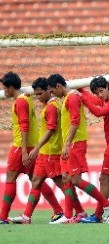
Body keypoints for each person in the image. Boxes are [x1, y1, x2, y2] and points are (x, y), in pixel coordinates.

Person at [11, 77, 85, 224]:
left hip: (52, 152)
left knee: (63, 184)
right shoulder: (49, 105)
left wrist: (37, 147)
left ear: (48, 91)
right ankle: (27, 216)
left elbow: (51, 130)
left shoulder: (52, 107)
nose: (38, 97)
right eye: (36, 95)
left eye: (40, 94)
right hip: (44, 153)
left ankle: (79, 211)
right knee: (36, 182)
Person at [47, 74, 109, 224]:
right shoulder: (66, 98)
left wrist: (67, 143)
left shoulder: (72, 98)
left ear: (58, 86)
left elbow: (75, 121)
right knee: (66, 178)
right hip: (69, 143)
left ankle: (107, 204)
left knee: (75, 179)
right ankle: (68, 214)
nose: (52, 94)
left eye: (52, 91)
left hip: (75, 143)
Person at [0, 72, 64, 224]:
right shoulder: (27, 99)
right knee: (37, 180)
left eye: (4, 88)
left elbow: (24, 125)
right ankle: (58, 210)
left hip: (22, 147)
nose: (3, 92)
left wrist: (22, 150)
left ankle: (3, 216)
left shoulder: (20, 102)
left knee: (10, 178)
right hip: (33, 146)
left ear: (10, 87)